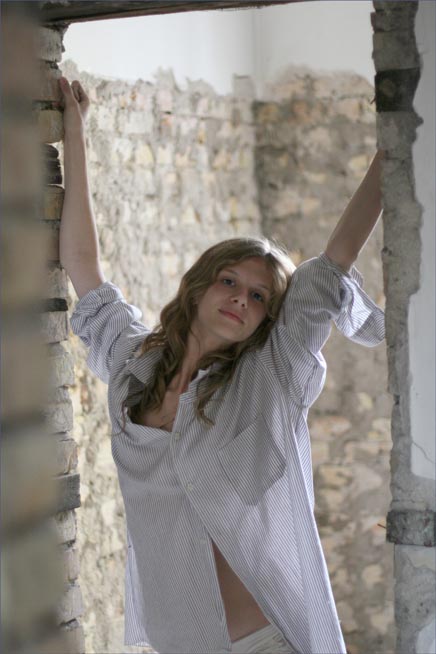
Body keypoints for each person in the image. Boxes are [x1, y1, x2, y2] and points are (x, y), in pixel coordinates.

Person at [59, 76, 385, 654]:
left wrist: (399, 145)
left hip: (264, 642)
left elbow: (334, 259)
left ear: (266, 318)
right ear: (199, 286)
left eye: (259, 296)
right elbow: (84, 266)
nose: (241, 299)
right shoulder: (134, 367)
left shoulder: (267, 381)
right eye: (229, 281)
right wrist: (74, 134)